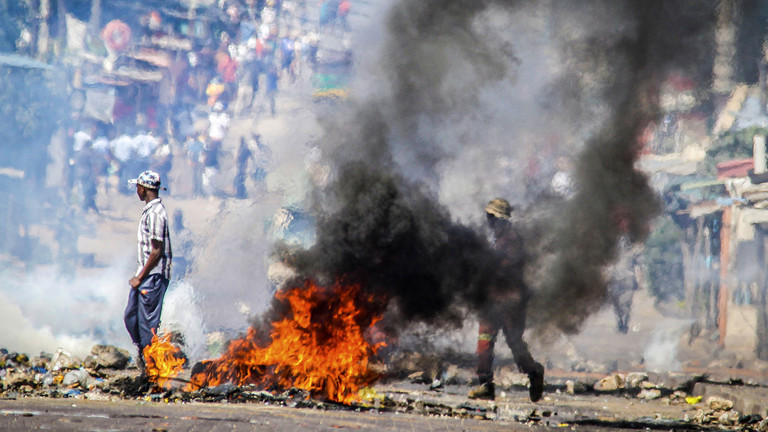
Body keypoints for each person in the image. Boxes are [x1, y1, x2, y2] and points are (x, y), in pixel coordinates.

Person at [468, 198, 544, 402]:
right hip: (492, 301)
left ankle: (534, 373)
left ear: (502, 220)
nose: (489, 222)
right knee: (484, 343)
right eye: (489, 218)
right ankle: (485, 385)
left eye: (492, 218)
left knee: (514, 343)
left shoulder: (512, 241)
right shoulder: (497, 240)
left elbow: (504, 269)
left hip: (511, 302)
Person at [124, 170, 173, 371]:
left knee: (147, 327)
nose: (137, 191)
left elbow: (156, 251)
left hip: (153, 277)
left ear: (143, 189)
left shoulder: (155, 214)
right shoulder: (150, 211)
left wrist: (140, 277)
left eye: (138, 187)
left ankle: (152, 368)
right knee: (131, 317)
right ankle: (144, 355)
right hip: (145, 275)